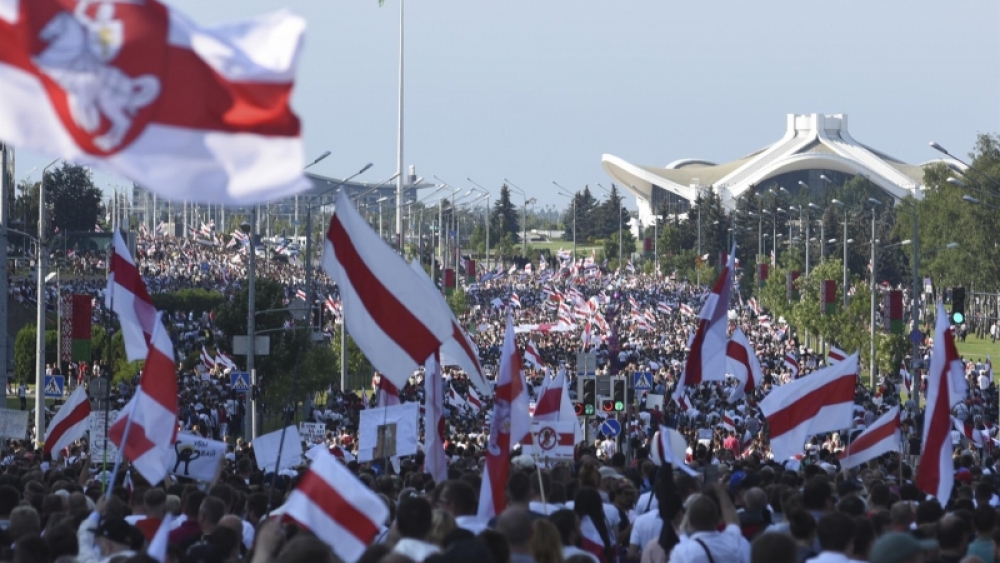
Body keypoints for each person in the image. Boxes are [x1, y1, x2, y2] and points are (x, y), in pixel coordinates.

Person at [668, 484, 751, 563]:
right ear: (718, 520)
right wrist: (721, 491)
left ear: (690, 522)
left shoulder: (682, 552)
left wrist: (681, 533)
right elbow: (732, 517)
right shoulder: (734, 541)